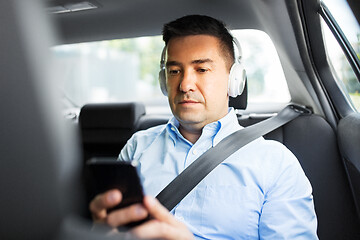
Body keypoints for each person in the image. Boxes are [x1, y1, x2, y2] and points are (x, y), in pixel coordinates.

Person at [90, 15, 318, 239]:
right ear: (163, 81)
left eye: (201, 70)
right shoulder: (138, 147)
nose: (185, 84)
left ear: (234, 80)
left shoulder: (275, 164)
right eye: (174, 71)